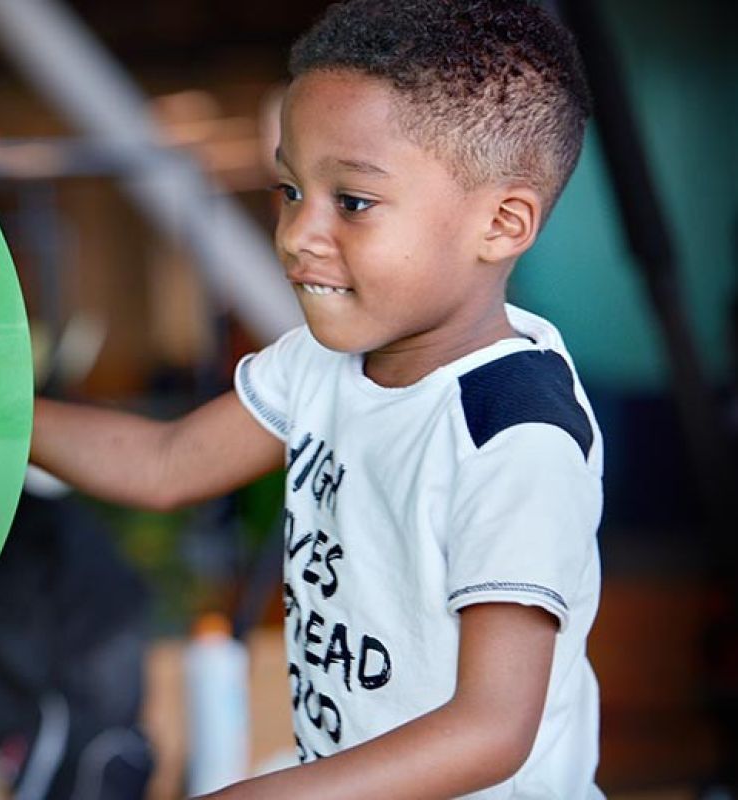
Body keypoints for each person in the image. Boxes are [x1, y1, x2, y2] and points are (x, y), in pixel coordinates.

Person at [30, 0, 602, 797]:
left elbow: (490, 731)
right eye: (290, 190)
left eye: (352, 202)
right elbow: (163, 463)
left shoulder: (513, 432)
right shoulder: (323, 362)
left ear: (501, 224)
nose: (298, 234)